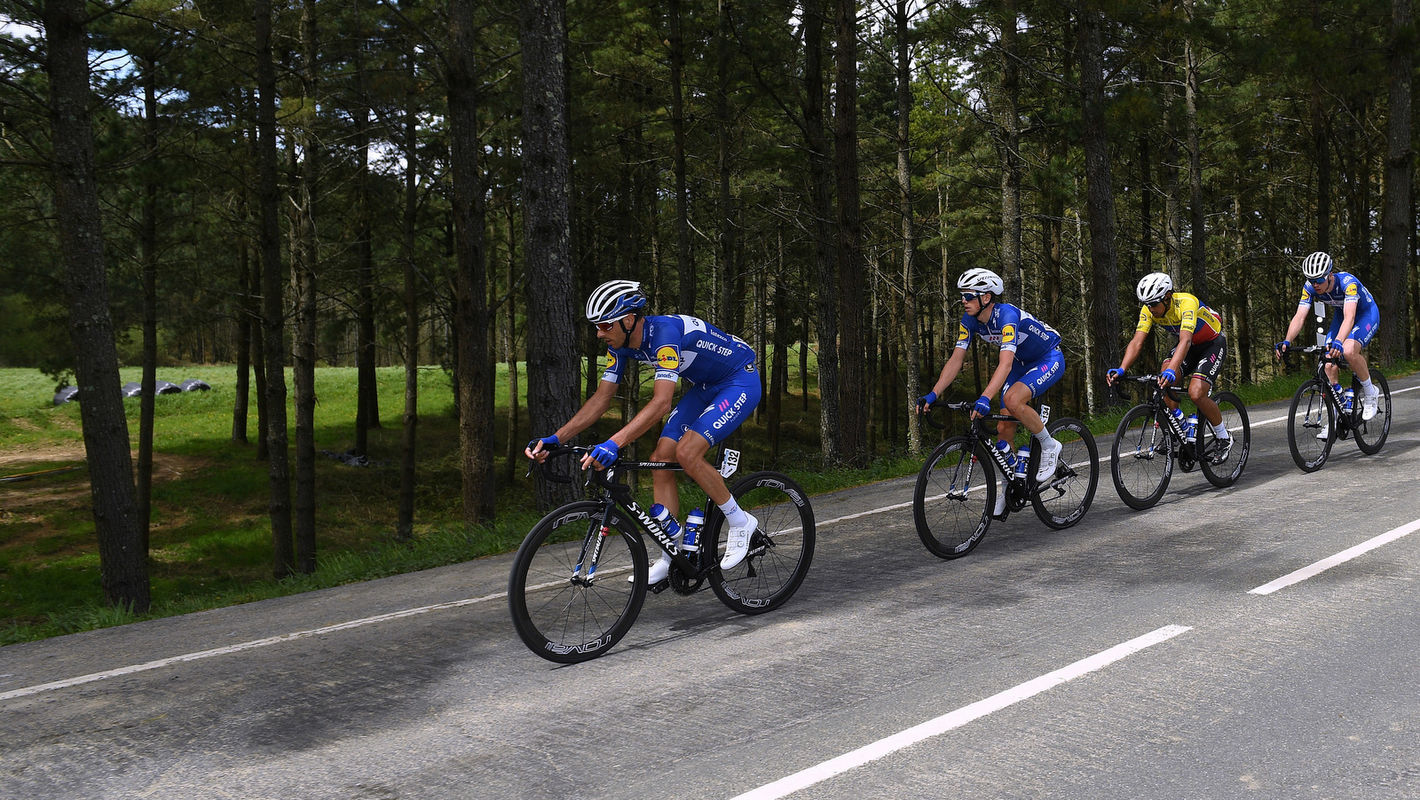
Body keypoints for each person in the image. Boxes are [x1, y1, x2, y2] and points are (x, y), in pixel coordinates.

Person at [525, 279, 762, 584]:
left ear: (628, 320)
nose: (599, 334)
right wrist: (556, 438)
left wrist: (614, 443)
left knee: (687, 452)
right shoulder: (621, 346)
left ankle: (740, 520)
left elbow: (662, 402)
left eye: (605, 325)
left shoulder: (664, 335)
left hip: (738, 380)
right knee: (660, 458)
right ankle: (671, 552)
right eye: (597, 326)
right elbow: (601, 399)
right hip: (705, 386)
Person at [915, 268, 1066, 501]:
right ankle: (1010, 485)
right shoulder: (970, 320)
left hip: (1048, 358)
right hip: (1021, 363)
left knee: (1012, 400)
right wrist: (933, 394)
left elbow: (1004, 364)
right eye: (962, 295)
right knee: (1004, 432)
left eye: (968, 295)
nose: (963, 301)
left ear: (986, 297)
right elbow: (956, 358)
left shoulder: (1007, 316)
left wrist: (985, 398)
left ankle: (1049, 445)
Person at [1105, 272, 1232, 458]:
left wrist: (1173, 369)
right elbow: (1137, 341)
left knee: (1196, 393)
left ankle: (1223, 437)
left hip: (1211, 344)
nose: (1151, 308)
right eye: (1147, 304)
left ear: (1167, 297)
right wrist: (1122, 369)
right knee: (1162, 379)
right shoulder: (1149, 310)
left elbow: (1185, 340)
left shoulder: (1187, 303)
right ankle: (1178, 428)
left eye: (1154, 304)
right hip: (1188, 346)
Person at [1273, 251, 1381, 422]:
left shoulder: (1348, 283)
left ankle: (1370, 392)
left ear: (1330, 275)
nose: (1315, 284)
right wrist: (1287, 341)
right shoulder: (1309, 288)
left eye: (1319, 280)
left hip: (1365, 314)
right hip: (1342, 316)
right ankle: (1338, 410)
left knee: (1348, 350)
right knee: (1328, 361)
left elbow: (1350, 318)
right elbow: (1300, 316)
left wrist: (1339, 341)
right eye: (1311, 280)